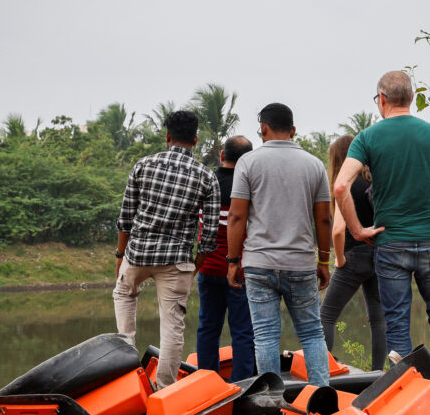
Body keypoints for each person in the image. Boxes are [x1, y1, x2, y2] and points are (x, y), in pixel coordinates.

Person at [333, 70, 430, 383]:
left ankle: (405, 391)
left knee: (396, 323)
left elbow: (341, 186)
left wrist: (357, 230)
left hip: (390, 243)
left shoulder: (367, 138)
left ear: (381, 100)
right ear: (413, 98)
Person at [225, 103, 332, 386]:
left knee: (265, 336)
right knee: (312, 333)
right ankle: (322, 399)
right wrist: (324, 261)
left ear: (263, 128)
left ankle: (270, 404)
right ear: (293, 130)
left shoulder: (248, 163)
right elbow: (324, 220)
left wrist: (233, 261)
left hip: (259, 264)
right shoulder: (314, 165)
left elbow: (236, 216)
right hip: (301, 263)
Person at [114, 110, 220, 389]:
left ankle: (125, 370)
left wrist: (119, 255)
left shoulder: (143, 165)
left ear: (168, 137)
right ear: (195, 140)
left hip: (137, 253)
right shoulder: (207, 177)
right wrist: (194, 266)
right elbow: (209, 233)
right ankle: (165, 390)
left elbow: (126, 217)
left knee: (124, 295)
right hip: (177, 260)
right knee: (172, 327)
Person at [319, 135, 386, 371]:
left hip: (353, 256)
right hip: (377, 255)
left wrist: (339, 259)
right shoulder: (372, 182)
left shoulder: (343, 185)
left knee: (324, 316)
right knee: (378, 320)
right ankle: (378, 373)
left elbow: (338, 231)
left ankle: (323, 370)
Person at [195, 135, 256, 381]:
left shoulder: (206, 182)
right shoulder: (251, 185)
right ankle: (242, 384)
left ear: (222, 155)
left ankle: (206, 382)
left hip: (208, 267)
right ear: (248, 159)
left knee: (208, 327)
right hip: (241, 267)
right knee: (242, 330)